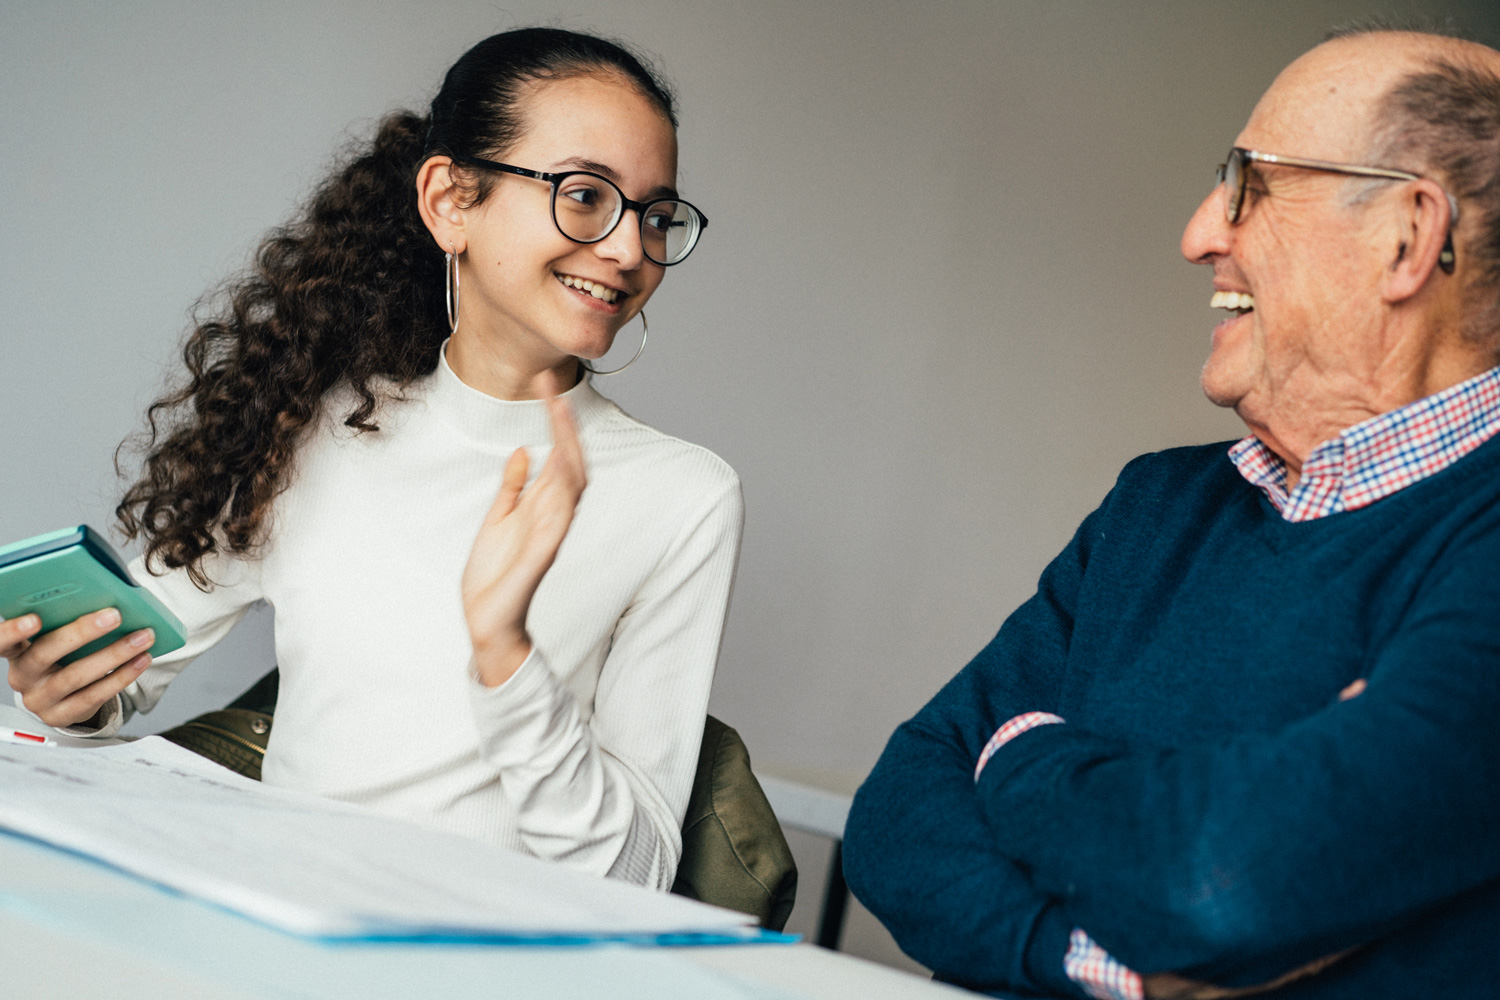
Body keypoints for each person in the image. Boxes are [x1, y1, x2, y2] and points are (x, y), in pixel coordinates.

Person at [2, 28, 740, 892]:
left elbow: (640, 872)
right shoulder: (318, 431)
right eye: (585, 195)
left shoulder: (684, 496)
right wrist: (70, 697)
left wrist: (505, 655)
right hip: (275, 932)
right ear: (449, 202)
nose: (628, 250)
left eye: (655, 215)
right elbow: (112, 679)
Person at [844, 28, 1500, 1000]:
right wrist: (1115, 966)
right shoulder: (1159, 503)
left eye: (1249, 183)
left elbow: (1224, 878)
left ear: (1407, 235)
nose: (1199, 232)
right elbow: (895, 820)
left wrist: (1019, 751)